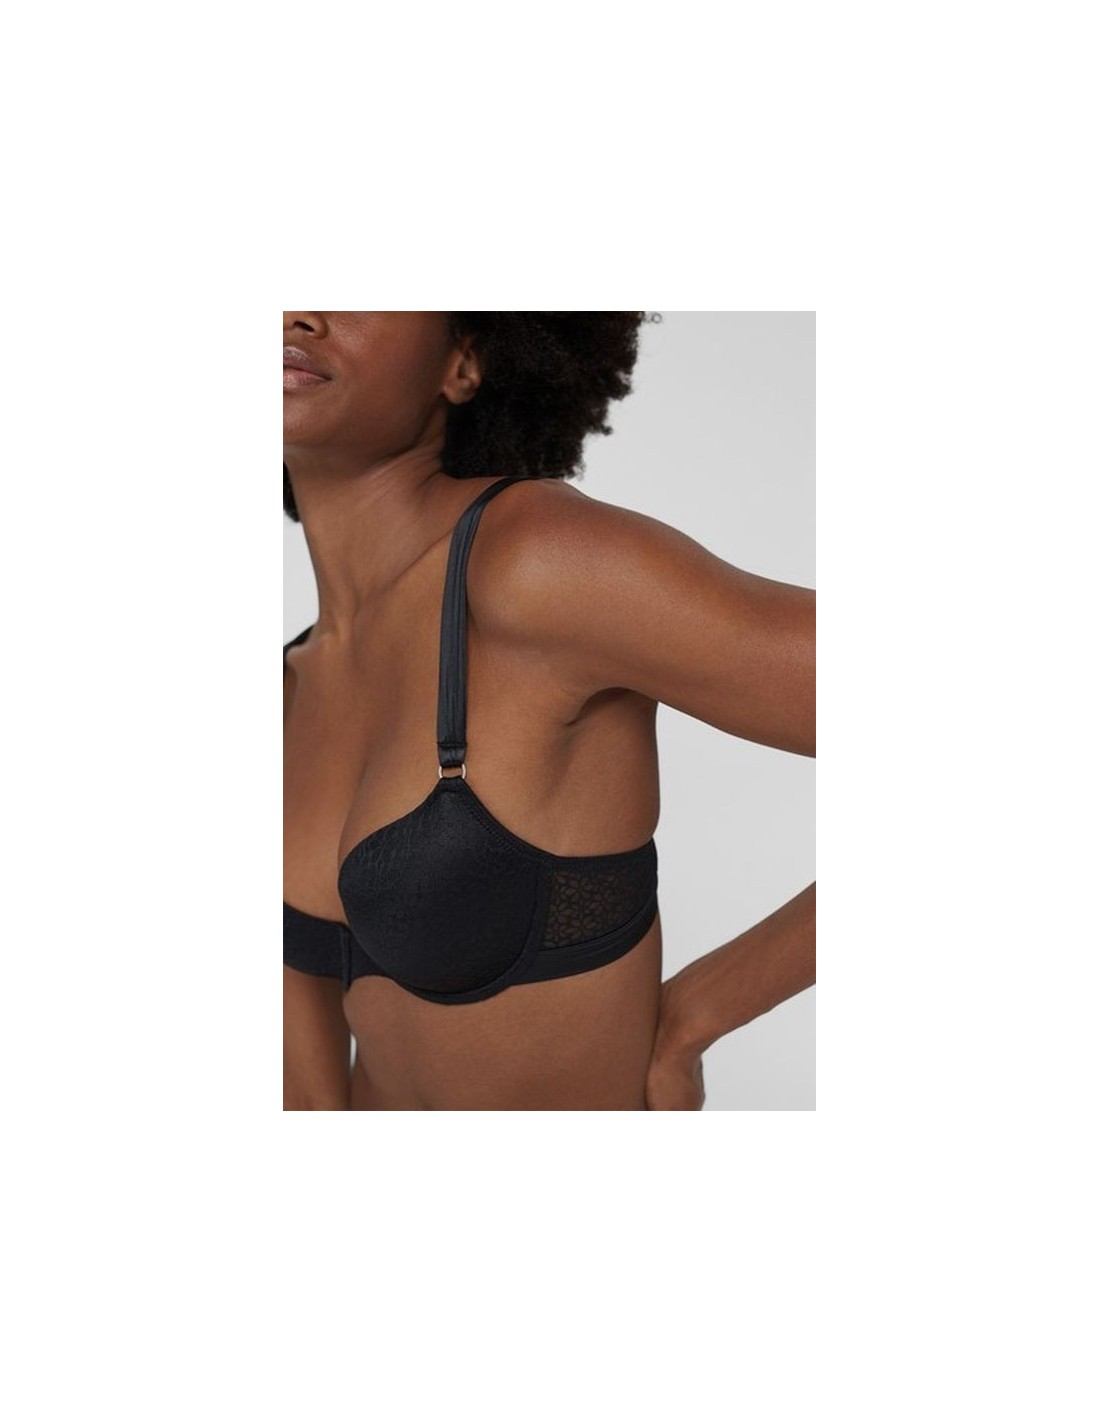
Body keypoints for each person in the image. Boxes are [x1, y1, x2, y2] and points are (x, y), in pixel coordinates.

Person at [283, 311, 815, 1111]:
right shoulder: (286, 690)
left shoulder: (534, 568)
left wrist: (696, 1014)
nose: (296, 312)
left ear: (464, 364)